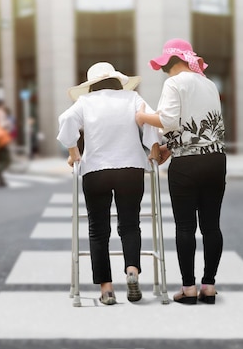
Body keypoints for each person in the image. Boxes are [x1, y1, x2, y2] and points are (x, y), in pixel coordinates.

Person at [57, 62, 160, 305]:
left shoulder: (85, 103)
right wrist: (153, 150)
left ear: (91, 85)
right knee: (130, 224)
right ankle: (132, 271)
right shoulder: (132, 98)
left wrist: (74, 153)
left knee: (98, 229)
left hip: (96, 170)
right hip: (131, 168)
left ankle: (107, 289)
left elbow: (66, 120)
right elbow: (152, 120)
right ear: (117, 80)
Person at [136, 39, 227, 305]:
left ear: (172, 63)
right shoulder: (209, 84)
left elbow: (169, 120)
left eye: (165, 66)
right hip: (216, 160)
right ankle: (209, 285)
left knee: (186, 226)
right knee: (211, 226)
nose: (164, 71)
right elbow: (200, 128)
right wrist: (171, 147)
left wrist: (142, 117)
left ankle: (188, 289)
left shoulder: (174, 83)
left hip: (187, 165)